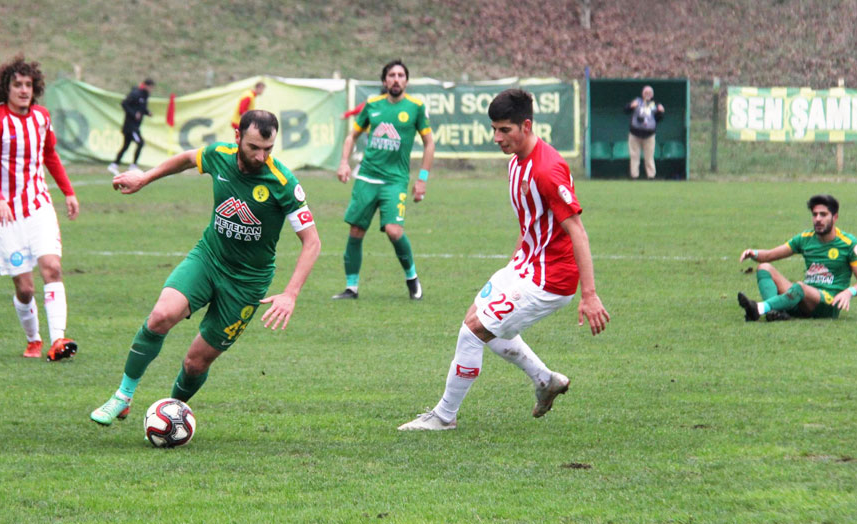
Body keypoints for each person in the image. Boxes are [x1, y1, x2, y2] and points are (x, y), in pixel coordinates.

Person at [90, 110, 321, 425]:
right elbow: (187, 158)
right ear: (237, 137)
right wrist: (144, 177)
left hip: (246, 284)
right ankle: (122, 397)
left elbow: (312, 242)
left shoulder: (283, 183)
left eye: (268, 149)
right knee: (160, 317)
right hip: (209, 258)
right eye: (254, 147)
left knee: (195, 363)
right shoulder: (219, 156)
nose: (261, 156)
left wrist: (291, 294)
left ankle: (170, 416)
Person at [398, 89, 610, 431]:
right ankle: (545, 380)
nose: (497, 138)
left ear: (526, 126)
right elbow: (531, 221)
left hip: (550, 279)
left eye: (504, 130)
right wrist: (513, 267)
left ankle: (443, 417)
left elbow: (578, 231)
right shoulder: (516, 164)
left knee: (472, 334)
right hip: (525, 266)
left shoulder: (547, 170)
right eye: (494, 129)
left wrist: (590, 294)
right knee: (479, 324)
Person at [0, 55, 80, 361]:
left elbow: (51, 157)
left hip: (38, 208)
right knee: (25, 288)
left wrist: (68, 192)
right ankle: (33, 339)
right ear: (5, 88)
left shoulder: (42, 118)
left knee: (52, 268)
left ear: (35, 89)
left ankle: (58, 341)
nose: (23, 90)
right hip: (6, 215)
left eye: (28, 85)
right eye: (17, 84)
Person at [333, 59, 435, 300]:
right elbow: (352, 136)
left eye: (401, 75)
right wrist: (344, 162)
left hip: (395, 180)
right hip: (367, 177)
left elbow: (429, 143)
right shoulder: (372, 104)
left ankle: (412, 279)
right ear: (384, 81)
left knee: (393, 230)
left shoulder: (415, 107)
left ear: (407, 81)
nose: (396, 79)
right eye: (391, 75)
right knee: (356, 230)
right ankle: (352, 288)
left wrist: (422, 179)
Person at [737, 194, 857, 322]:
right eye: (815, 214)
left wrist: (848, 292)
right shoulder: (805, 238)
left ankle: (759, 308)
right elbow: (770, 255)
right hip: (804, 299)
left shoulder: (849, 243)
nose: (818, 219)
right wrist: (753, 253)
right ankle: (774, 312)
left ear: (835, 217)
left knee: (800, 287)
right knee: (764, 268)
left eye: (823, 214)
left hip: (829, 304)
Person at [108, 78, 154, 175]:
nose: (151, 89)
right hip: (131, 127)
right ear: (146, 85)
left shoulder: (145, 96)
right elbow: (124, 103)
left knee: (125, 146)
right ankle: (133, 166)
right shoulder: (136, 93)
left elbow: (141, 108)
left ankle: (114, 165)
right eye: (150, 87)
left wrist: (147, 112)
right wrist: (134, 114)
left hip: (135, 126)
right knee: (140, 143)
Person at [625, 85, 664, 179]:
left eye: (649, 93)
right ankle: (634, 176)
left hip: (649, 135)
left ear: (652, 95)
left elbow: (658, 119)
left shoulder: (655, 104)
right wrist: (631, 106)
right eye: (645, 93)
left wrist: (661, 112)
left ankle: (651, 176)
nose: (647, 95)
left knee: (649, 157)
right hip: (635, 134)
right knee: (634, 156)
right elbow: (625, 110)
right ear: (642, 93)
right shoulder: (637, 101)